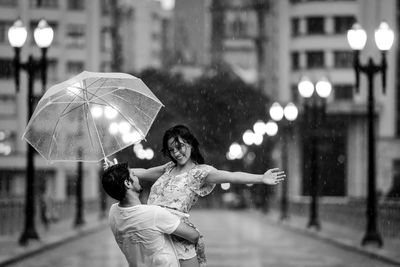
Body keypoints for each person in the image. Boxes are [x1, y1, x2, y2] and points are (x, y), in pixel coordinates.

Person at [106, 124, 285, 267]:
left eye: (180, 147)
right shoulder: (168, 168)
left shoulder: (200, 173)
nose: (176, 153)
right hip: (155, 233)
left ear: (190, 144)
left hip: (178, 233)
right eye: (172, 150)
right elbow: (140, 172)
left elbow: (232, 176)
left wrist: (262, 178)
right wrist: (115, 170)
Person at [102, 162, 200, 267]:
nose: (137, 178)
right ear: (127, 183)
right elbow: (194, 236)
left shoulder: (113, 213)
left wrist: (114, 173)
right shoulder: (154, 214)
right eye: (133, 175)